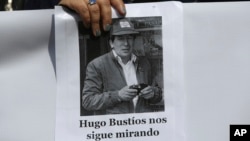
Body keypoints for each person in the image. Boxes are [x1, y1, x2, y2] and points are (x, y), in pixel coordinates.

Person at [82, 18, 162, 115]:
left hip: (142, 125)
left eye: (129, 38)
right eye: (121, 38)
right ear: (111, 43)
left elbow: (158, 94)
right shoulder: (97, 65)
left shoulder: (144, 63)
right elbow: (88, 101)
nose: (126, 44)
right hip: (115, 127)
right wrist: (118, 96)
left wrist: (153, 93)